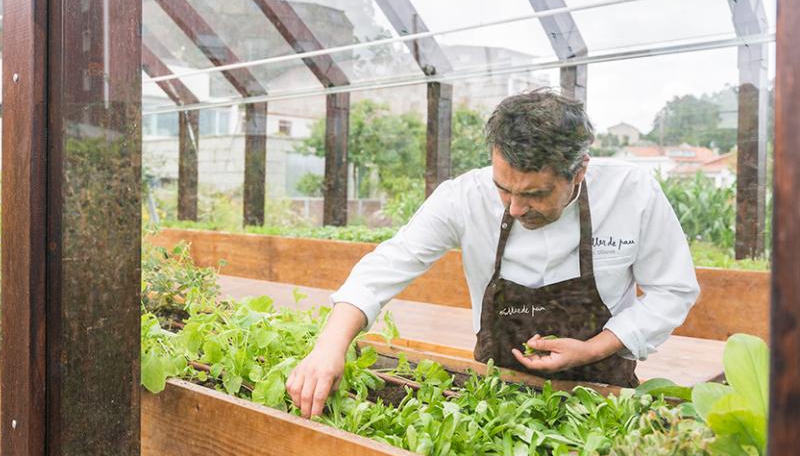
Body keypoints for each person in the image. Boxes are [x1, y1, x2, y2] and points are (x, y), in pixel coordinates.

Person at [286, 89, 700, 418]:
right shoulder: (465, 197)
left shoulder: (632, 193)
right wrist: (329, 346)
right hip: (495, 392)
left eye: (535, 194)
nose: (515, 208)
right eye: (504, 188)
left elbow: (672, 290)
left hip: (603, 394)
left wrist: (595, 347)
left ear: (579, 171)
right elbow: (389, 263)